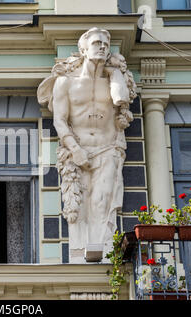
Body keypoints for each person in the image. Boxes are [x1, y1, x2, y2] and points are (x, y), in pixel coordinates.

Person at [37, 28, 136, 261]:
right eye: (96, 43)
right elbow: (60, 121)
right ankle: (79, 255)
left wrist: (115, 73)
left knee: (102, 201)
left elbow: (121, 99)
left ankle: (101, 253)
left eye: (105, 44)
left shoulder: (113, 80)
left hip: (107, 148)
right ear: (83, 49)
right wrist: (75, 149)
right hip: (78, 150)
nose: (102, 47)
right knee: (78, 206)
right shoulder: (65, 83)